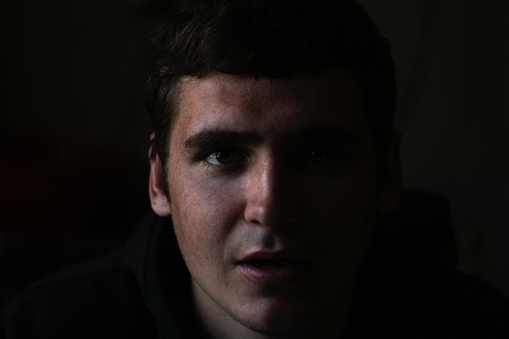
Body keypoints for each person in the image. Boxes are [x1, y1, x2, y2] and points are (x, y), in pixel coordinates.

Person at [2, 0, 509, 338]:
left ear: (388, 174)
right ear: (158, 181)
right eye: (223, 155)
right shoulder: (44, 328)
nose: (271, 208)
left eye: (319, 155)